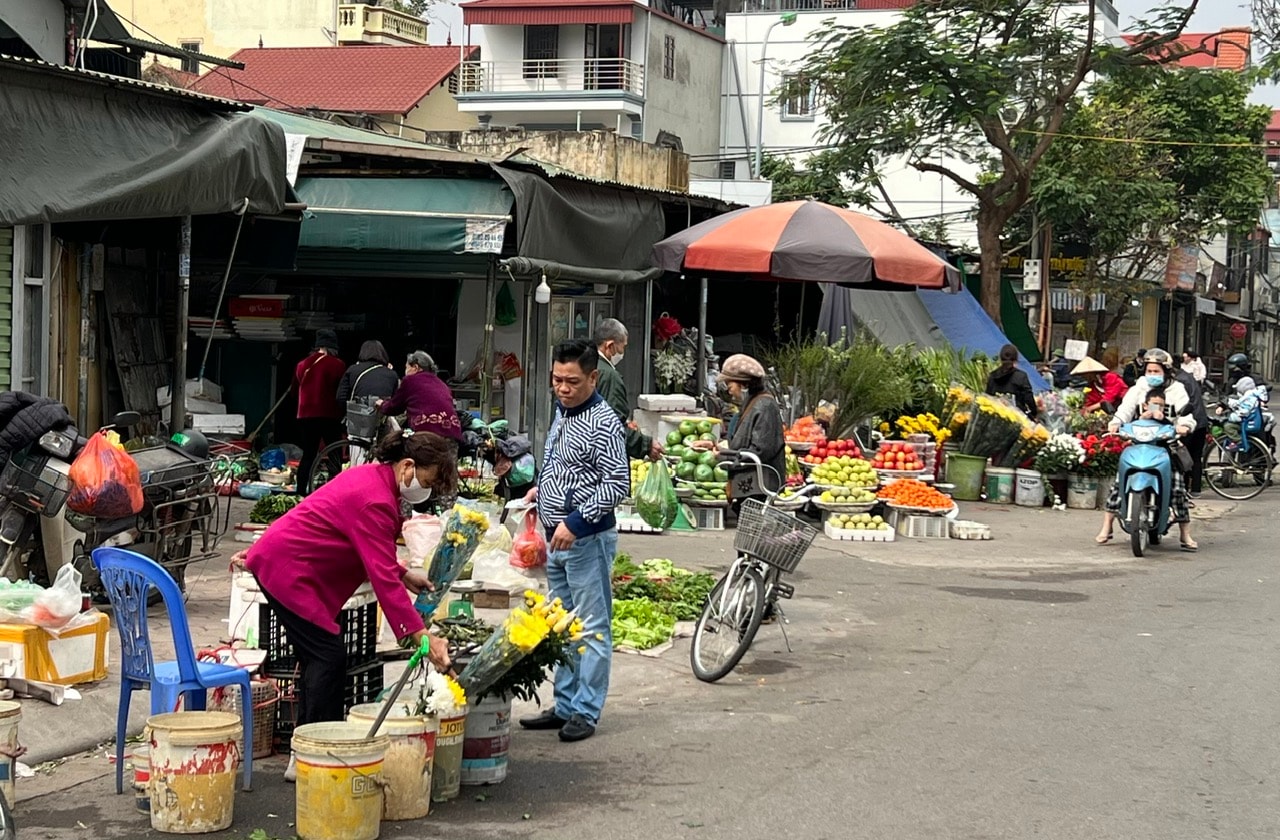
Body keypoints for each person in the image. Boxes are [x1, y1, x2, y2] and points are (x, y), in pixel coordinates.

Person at [235, 428, 457, 780]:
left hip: (291, 564)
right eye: (426, 481)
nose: (424, 491)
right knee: (328, 656)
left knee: (318, 658)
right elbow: (381, 578)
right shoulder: (376, 499)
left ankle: (304, 751)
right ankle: (316, 754)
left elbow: (367, 549)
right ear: (408, 466)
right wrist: (422, 637)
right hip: (289, 572)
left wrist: (403, 573)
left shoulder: (373, 479)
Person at [518, 341, 629, 743]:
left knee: (592, 628)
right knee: (561, 626)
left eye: (572, 381)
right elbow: (563, 466)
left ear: (594, 378)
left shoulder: (604, 422)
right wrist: (539, 491)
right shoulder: (564, 413)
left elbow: (617, 483)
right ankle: (564, 704)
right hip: (555, 541)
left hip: (587, 540)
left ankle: (585, 710)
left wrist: (577, 522)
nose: (562, 388)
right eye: (557, 380)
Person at [1096, 349, 1197, 551]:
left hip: (1166, 445)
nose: (1152, 374)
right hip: (1140, 442)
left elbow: (1186, 415)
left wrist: (1184, 426)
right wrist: (1116, 423)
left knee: (1177, 486)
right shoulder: (1139, 387)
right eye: (1149, 370)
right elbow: (1124, 410)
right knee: (1118, 482)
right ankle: (1107, 526)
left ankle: (1185, 534)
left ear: (1166, 371)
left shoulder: (1177, 390)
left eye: (1156, 370)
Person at [697, 354, 787, 499]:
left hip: (759, 491)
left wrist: (722, 457)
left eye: (730, 385)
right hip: (749, 489)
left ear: (744, 384)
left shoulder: (764, 407)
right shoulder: (752, 403)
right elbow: (742, 442)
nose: (728, 390)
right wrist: (715, 446)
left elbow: (758, 452)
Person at [594, 319, 663, 461]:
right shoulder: (609, 376)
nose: (622, 352)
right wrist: (646, 445)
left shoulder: (587, 365)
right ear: (610, 346)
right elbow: (613, 426)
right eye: (622, 347)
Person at [295, 329, 347, 495]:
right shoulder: (337, 364)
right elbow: (340, 392)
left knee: (308, 454)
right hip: (329, 414)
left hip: (305, 415)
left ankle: (301, 491)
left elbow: (294, 390)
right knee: (334, 453)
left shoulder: (302, 365)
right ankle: (334, 491)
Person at [377, 351, 463, 445]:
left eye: (406, 367)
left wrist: (382, 404)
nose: (405, 371)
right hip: (453, 434)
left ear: (415, 367)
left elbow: (394, 407)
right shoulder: (442, 384)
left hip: (426, 435)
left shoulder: (410, 381)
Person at [337, 340, 400, 467]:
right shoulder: (391, 374)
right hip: (381, 419)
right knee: (385, 453)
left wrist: (348, 414)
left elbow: (340, 397)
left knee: (357, 456)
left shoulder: (353, 370)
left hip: (358, 422)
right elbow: (395, 400)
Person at [1172, 364, 1210, 496]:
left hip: (1190, 422)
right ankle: (1195, 489)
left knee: (1183, 456)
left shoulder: (1179, 382)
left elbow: (1184, 405)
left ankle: (1183, 488)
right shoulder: (1188, 377)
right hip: (1201, 420)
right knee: (1196, 457)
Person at [1217, 376, 1269, 450]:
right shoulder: (1254, 394)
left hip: (1248, 423)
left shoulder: (1249, 399)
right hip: (1252, 423)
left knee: (1228, 427)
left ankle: (1238, 442)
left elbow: (1243, 412)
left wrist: (1231, 416)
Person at [985, 344, 1036, 417]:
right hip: (1017, 418)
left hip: (996, 416)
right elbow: (1028, 398)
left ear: (1000, 358)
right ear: (1016, 358)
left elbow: (987, 397)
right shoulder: (1021, 376)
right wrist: (1034, 413)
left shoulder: (992, 376)